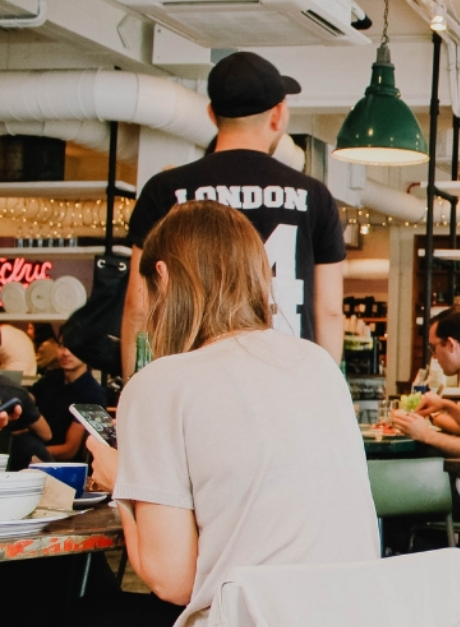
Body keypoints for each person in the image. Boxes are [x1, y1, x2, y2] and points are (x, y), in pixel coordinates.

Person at [87, 201, 377, 627]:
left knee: (71, 608)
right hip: (353, 615)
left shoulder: (158, 385)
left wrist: (122, 485)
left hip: (251, 619)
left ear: (163, 278)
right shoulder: (317, 364)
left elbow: (173, 582)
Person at [121, 51, 346, 379]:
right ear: (278, 115)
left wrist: (134, 390)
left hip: (194, 380)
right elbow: (329, 311)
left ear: (212, 114)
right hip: (287, 379)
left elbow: (139, 306)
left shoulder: (166, 190)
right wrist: (324, 391)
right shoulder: (314, 196)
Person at [389, 308, 460, 523]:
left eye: (434, 347)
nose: (434, 357)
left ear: (451, 344)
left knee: (394, 501)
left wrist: (426, 435)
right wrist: (447, 405)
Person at [29, 341, 106, 463]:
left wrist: (28, 452)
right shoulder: (51, 379)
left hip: (63, 467)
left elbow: (69, 450)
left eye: (73, 348)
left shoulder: (93, 394)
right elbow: (27, 401)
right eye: (61, 346)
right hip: (36, 451)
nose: (65, 353)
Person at [0, 381, 49, 471]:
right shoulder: (13, 391)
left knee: (26, 441)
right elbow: (46, 435)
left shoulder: (12, 391)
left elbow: (46, 434)